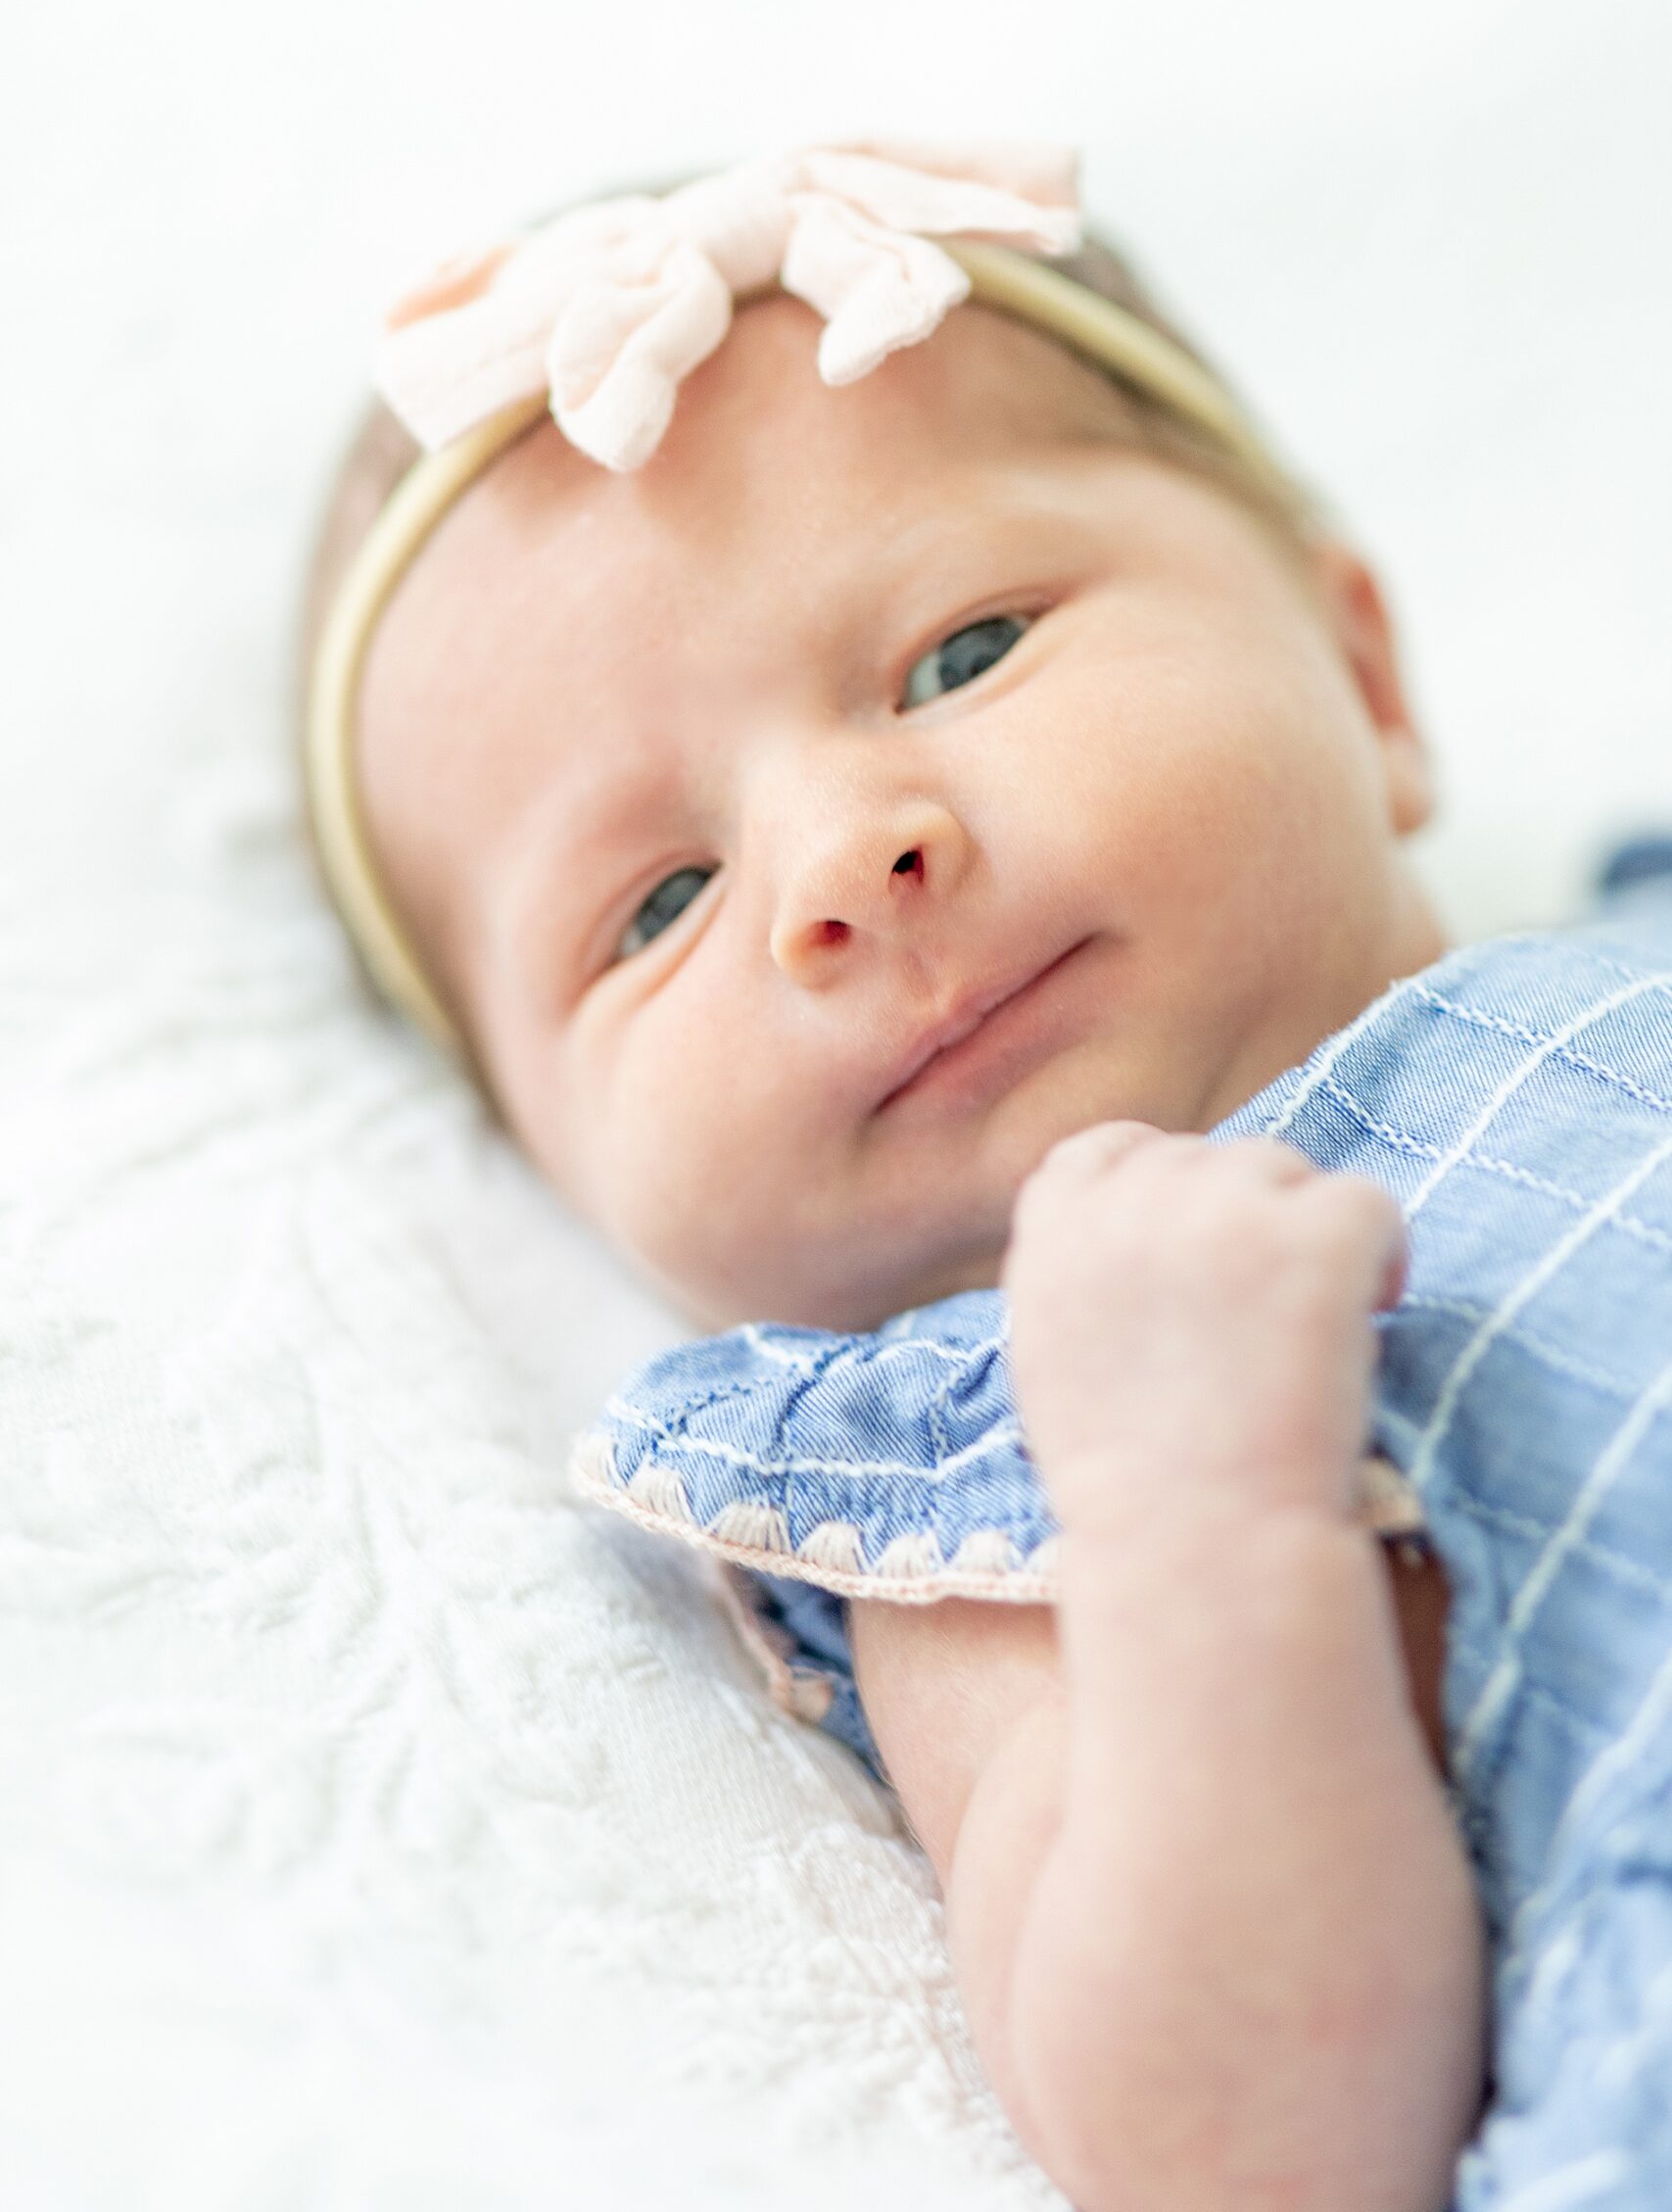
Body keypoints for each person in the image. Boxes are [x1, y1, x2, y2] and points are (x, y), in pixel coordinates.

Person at [297, 142, 1672, 2211]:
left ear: (1361, 675)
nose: (846, 858)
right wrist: (1195, 1513)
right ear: (556, 1167)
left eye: (959, 653)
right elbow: (1246, 2148)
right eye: (659, 901)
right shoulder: (976, 1471)